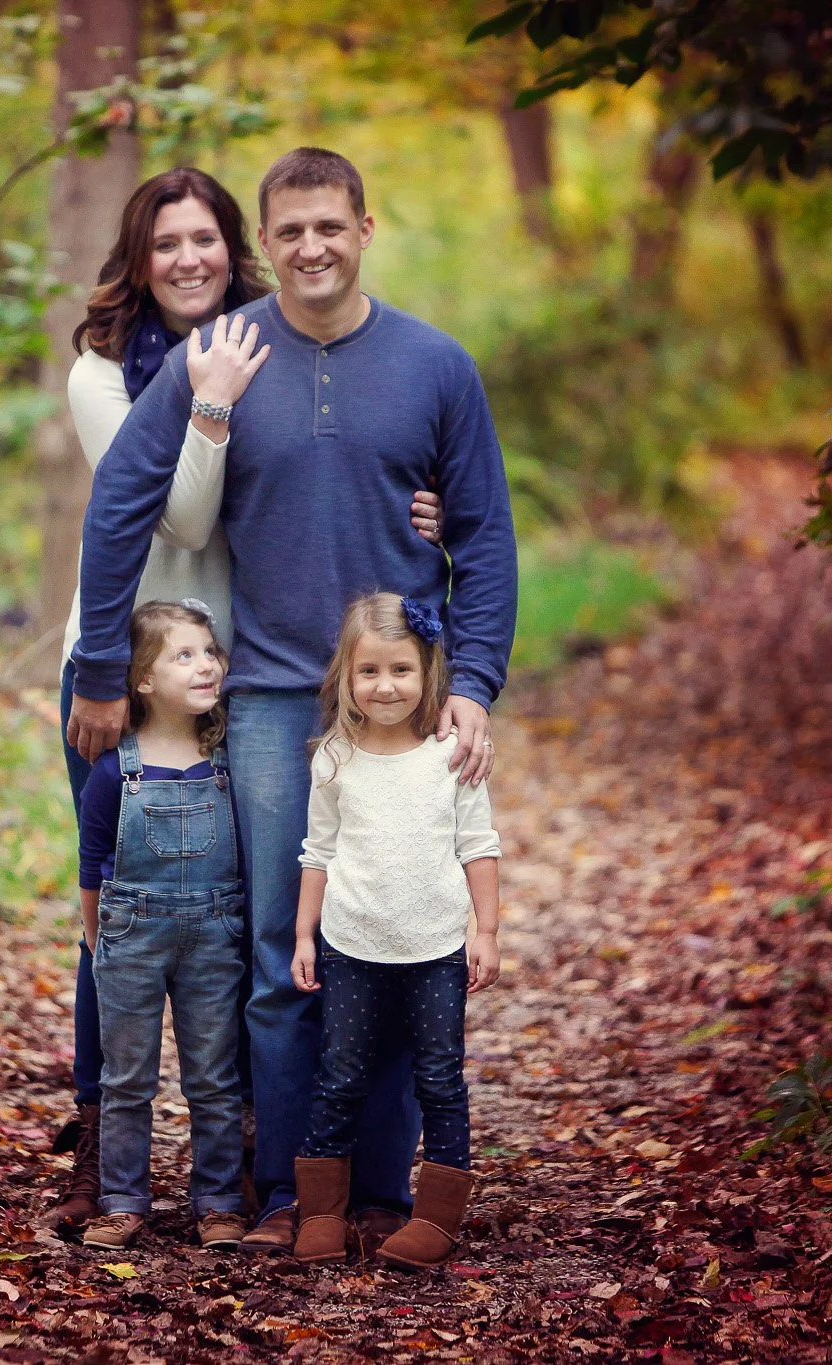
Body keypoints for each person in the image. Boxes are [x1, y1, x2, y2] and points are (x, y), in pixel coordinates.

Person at [67, 147, 517, 1256]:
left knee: (399, 946)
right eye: (290, 231)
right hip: (269, 699)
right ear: (263, 245)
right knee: (282, 952)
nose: (311, 247)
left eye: (331, 225)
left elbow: (483, 535)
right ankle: (284, 1193)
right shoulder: (222, 357)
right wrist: (94, 672)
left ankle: (379, 1190)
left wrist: (472, 683)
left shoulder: (434, 365)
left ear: (364, 226)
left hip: (398, 704)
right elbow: (122, 502)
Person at [287, 593, 501, 1269]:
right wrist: (302, 936)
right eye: (369, 671)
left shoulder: (450, 757)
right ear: (346, 678)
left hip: (436, 947)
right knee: (339, 1074)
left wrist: (486, 929)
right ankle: (322, 1212)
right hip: (351, 944)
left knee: (439, 1077)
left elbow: (480, 845)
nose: (385, 685)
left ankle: (436, 1218)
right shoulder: (334, 759)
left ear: (428, 671)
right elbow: (316, 853)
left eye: (401, 670)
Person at [74, 600, 250, 1252]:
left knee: (213, 1073)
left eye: (210, 651)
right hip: (130, 934)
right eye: (185, 654)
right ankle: (122, 1199)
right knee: (127, 1077)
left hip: (214, 931)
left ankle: (219, 1199)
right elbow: (92, 863)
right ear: (142, 679)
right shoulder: (113, 768)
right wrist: (99, 943)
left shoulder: (228, 759)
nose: (207, 664)